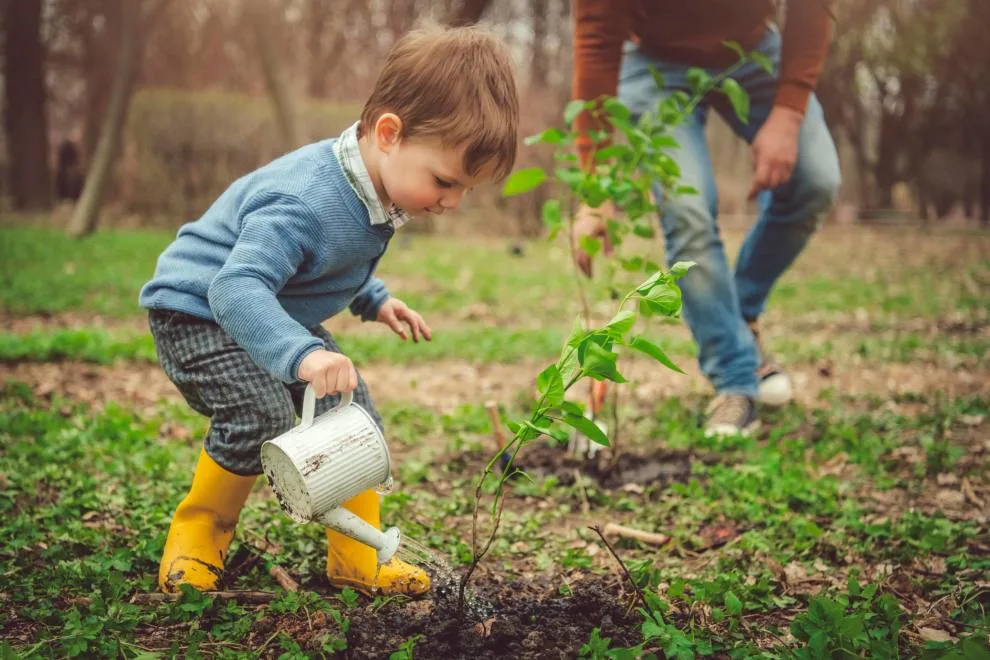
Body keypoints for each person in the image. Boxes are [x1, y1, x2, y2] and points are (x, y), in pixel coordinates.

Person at [138, 23, 519, 595]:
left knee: (352, 418)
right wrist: (301, 354)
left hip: (268, 308)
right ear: (389, 133)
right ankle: (197, 539)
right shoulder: (303, 200)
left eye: (466, 189)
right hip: (198, 312)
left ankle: (358, 558)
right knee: (259, 415)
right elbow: (236, 288)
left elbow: (328, 260)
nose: (454, 203)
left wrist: (376, 299)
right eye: (445, 181)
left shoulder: (374, 185)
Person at [570, 0, 841, 436]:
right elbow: (597, 40)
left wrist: (789, 113)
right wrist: (595, 187)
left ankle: (741, 319)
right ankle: (735, 379)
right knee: (687, 210)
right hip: (654, 59)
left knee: (815, 179)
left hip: (755, 48)